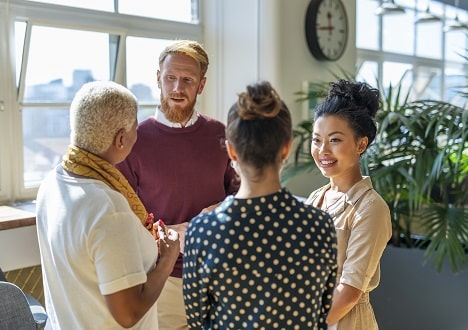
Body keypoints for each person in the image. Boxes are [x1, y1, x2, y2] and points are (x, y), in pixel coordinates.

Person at [182, 81, 338, 329]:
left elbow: (198, 321)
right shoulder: (320, 226)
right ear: (286, 148)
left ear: (231, 151)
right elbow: (321, 314)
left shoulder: (203, 231)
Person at [36, 81, 180, 329]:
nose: (139, 135)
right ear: (121, 139)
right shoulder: (108, 209)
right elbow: (128, 314)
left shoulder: (52, 182)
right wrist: (168, 259)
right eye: (136, 128)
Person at [116, 40, 240, 329]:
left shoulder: (220, 134)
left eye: (187, 80)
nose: (177, 88)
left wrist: (222, 210)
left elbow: (241, 195)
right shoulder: (134, 140)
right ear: (158, 77)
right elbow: (121, 217)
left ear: (201, 85)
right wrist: (170, 234)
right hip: (162, 280)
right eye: (170, 78)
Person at [305, 79, 392, 330]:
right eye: (317, 139)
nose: (322, 150)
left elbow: (349, 292)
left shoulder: (371, 208)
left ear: (360, 144)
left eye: (334, 140)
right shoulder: (315, 199)